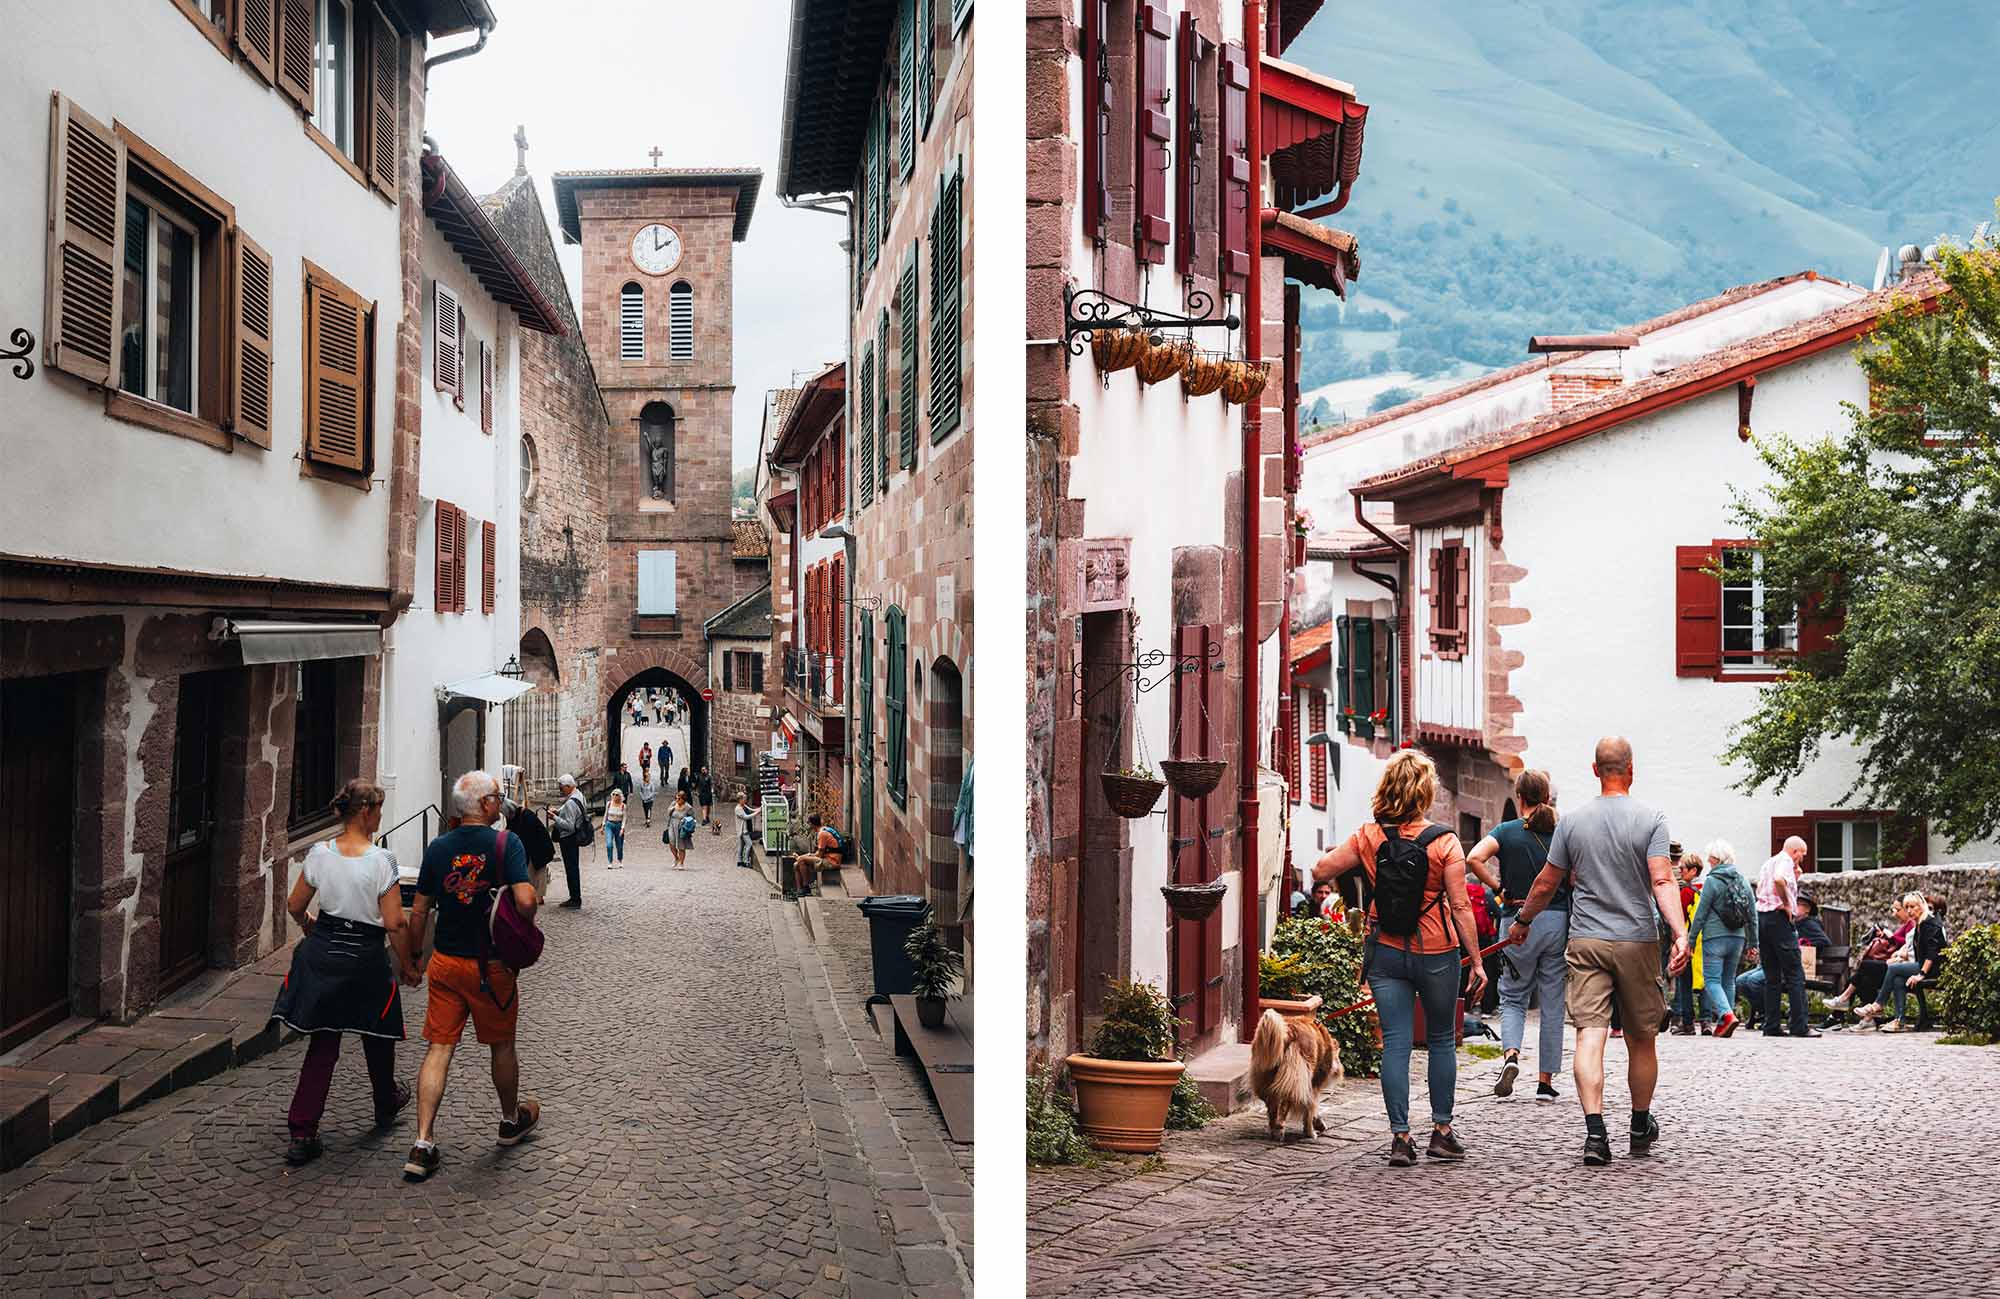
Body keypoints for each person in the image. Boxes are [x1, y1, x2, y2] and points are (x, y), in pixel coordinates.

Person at [1507, 737, 1689, 1167]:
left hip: (1586, 938)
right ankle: (1640, 1124)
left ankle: (1595, 1133)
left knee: (1590, 1034)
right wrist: (1680, 933)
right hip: (1637, 939)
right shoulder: (1651, 819)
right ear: (1631, 768)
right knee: (1642, 1039)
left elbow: (1546, 883)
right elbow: (1663, 882)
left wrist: (1522, 923)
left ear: (1595, 770)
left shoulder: (1572, 822)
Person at [1313, 750, 1487, 1167]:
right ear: (1426, 792)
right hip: (1437, 952)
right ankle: (1442, 1132)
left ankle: (1400, 1138)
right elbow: (1461, 908)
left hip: (1387, 951)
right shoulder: (1445, 841)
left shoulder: (1370, 836)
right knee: (1442, 1039)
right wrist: (1477, 961)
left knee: (1395, 1043)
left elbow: (1320, 870)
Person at [403, 771, 542, 1181]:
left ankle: (423, 1142)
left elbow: (420, 909)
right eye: (497, 797)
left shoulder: (438, 848)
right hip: (490, 965)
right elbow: (527, 899)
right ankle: (507, 1120)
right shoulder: (505, 843)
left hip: (446, 961)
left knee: (439, 1049)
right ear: (484, 806)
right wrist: (519, 917)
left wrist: (413, 957)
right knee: (501, 1045)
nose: (500, 802)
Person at [269, 780, 415, 1166]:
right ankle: (386, 1101)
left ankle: (302, 1130)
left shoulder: (319, 854)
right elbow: (396, 924)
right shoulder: (382, 861)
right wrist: (410, 965)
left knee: (324, 1043)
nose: (381, 817)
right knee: (377, 1033)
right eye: (379, 810)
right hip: (365, 956)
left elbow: (295, 904)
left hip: (325, 952)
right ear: (365, 812)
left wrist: (308, 924)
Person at [1465, 769, 1565, 1102]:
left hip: (1515, 920)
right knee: (1552, 1001)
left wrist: (1498, 888)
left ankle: (1510, 1056)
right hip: (1555, 920)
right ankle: (1545, 1082)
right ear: (1547, 797)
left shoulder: (1506, 832)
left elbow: (1474, 857)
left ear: (1519, 796)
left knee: (1512, 997)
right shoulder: (1560, 831)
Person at [1685, 839, 1754, 1037]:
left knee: (1712, 980)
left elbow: (1701, 914)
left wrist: (1691, 941)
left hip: (1715, 938)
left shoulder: (1712, 881)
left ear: (1716, 860)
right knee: (1728, 981)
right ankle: (1724, 1025)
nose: (1708, 862)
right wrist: (1753, 942)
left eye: (1710, 859)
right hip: (1738, 939)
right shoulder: (1742, 880)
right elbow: (1752, 914)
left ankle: (1727, 1015)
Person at [1754, 836, 1817, 1038]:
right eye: (1802, 854)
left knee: (1772, 975)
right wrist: (1787, 904)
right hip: (1779, 919)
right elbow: (1779, 880)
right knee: (1794, 973)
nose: (1802, 859)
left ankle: (1771, 1025)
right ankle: (1799, 1025)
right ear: (1795, 851)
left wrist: (1796, 878)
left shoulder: (1768, 862)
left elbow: (1767, 887)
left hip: (1762, 919)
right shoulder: (1785, 861)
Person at [1855, 893, 1946, 1031]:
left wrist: (1921, 974)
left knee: (1894, 969)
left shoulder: (1929, 923)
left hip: (1934, 969)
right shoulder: (1920, 924)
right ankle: (1899, 1021)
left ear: (1921, 906)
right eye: (1906, 907)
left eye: (1912, 907)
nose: (1909, 911)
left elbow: (1932, 954)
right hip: (1923, 965)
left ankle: (1878, 1005)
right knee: (1898, 979)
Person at [1670, 853, 1706, 1034]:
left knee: (1684, 982)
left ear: (1693, 871)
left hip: (1688, 941)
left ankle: (1687, 1022)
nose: (1680, 871)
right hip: (1704, 942)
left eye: (1682, 869)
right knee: (1704, 983)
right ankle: (1706, 1022)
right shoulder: (1705, 889)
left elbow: (1679, 916)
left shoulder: (1686, 892)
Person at [547, 774, 588, 909]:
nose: (560, 790)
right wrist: (558, 812)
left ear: (568, 786)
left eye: (561, 787)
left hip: (569, 838)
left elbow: (569, 825)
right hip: (574, 837)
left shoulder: (571, 802)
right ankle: (575, 897)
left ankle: (575, 899)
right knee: (573, 868)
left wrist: (555, 818)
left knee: (571, 869)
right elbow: (571, 811)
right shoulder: (579, 795)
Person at [792, 814, 842, 898]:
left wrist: (803, 857)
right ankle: (800, 890)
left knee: (801, 860)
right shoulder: (822, 830)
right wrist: (807, 855)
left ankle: (806, 888)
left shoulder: (822, 834)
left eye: (809, 823)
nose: (808, 825)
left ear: (812, 824)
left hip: (832, 861)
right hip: (827, 858)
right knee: (796, 864)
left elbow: (818, 855)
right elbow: (819, 853)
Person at [665, 790, 694, 868]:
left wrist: (685, 821)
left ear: (683, 799)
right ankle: (676, 858)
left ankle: (681, 863)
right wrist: (673, 807)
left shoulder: (688, 807)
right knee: (671, 842)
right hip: (672, 824)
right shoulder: (674, 803)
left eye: (679, 799)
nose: (677, 800)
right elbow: (668, 812)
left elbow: (692, 818)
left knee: (681, 845)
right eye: (676, 798)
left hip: (682, 827)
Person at [734, 791, 759, 868]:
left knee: (741, 846)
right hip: (743, 830)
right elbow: (746, 817)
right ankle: (746, 861)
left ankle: (739, 861)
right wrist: (757, 813)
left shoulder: (743, 806)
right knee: (749, 844)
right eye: (744, 799)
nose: (745, 800)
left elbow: (752, 810)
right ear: (740, 799)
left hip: (744, 830)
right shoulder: (738, 809)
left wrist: (759, 809)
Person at [603, 789, 626, 868]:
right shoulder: (609, 804)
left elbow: (624, 818)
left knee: (619, 845)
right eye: (613, 794)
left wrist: (622, 828)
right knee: (609, 844)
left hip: (618, 826)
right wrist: (603, 825)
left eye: (616, 795)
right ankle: (610, 861)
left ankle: (620, 860)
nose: (614, 796)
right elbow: (605, 814)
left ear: (620, 796)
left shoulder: (623, 806)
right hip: (609, 825)